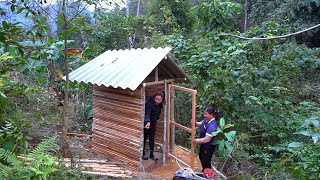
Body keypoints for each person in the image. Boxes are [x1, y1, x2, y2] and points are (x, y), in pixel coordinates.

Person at [193, 105, 218, 171]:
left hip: (208, 147)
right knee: (201, 158)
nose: (204, 115)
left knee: (206, 161)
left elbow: (207, 139)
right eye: (204, 113)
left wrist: (195, 141)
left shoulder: (212, 126)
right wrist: (195, 123)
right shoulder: (206, 120)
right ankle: (204, 172)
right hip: (203, 145)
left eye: (206, 114)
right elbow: (201, 124)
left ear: (211, 115)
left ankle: (208, 174)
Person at [142, 91, 165, 161]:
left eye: (159, 100)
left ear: (162, 100)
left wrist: (152, 121)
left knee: (152, 137)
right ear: (154, 98)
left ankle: (152, 154)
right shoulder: (149, 102)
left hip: (153, 122)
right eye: (156, 99)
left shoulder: (161, 104)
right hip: (146, 121)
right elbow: (147, 113)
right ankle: (142, 153)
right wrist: (147, 122)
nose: (157, 101)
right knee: (144, 137)